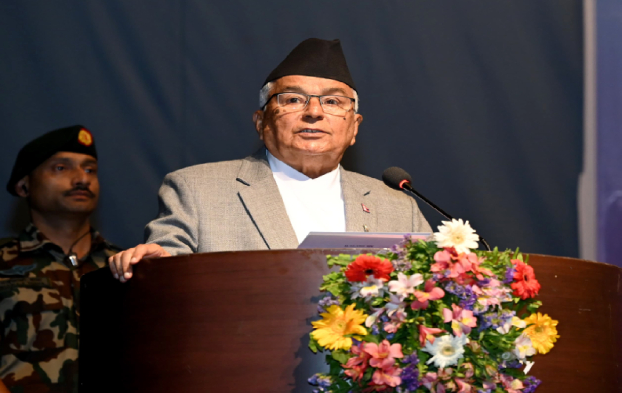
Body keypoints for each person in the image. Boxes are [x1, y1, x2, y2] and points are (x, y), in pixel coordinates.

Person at [109, 38, 431, 279]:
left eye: (333, 102)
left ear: (354, 127)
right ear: (261, 122)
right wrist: (155, 267)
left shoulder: (398, 206)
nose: (314, 112)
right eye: (293, 99)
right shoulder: (196, 190)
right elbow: (165, 266)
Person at [0, 125, 120, 393]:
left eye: (90, 170)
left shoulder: (127, 268)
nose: (82, 179)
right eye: (61, 168)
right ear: (24, 186)